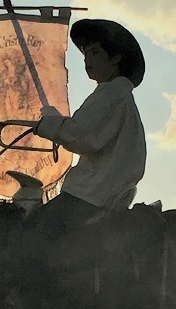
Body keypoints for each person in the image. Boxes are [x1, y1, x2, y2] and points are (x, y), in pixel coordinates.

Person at [22, 18, 147, 238]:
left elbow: (80, 135)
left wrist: (48, 123)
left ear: (116, 58)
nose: (88, 59)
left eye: (96, 53)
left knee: (28, 236)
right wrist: (54, 121)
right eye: (86, 54)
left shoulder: (110, 93)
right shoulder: (122, 97)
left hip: (90, 194)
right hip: (104, 192)